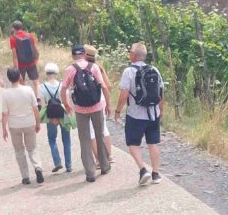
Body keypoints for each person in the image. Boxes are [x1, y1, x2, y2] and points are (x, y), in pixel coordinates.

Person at [114, 43, 165, 186]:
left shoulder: (128, 71)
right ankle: (155, 173)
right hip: (153, 114)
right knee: (153, 143)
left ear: (134, 55)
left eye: (130, 52)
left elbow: (124, 94)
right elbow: (161, 92)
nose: (129, 54)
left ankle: (143, 170)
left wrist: (117, 111)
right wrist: (161, 110)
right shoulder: (154, 69)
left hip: (135, 115)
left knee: (133, 143)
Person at [61, 44, 112, 182]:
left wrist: (66, 104)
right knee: (100, 135)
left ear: (73, 56)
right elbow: (104, 87)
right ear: (84, 54)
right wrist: (108, 104)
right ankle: (104, 166)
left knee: (84, 140)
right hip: (97, 106)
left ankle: (90, 173)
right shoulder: (94, 67)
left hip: (80, 109)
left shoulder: (70, 69)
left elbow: (63, 89)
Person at [1, 67, 44, 185]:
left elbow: (5, 114)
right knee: (32, 148)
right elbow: (35, 108)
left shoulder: (5, 94)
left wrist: (4, 129)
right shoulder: (28, 90)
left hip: (14, 125)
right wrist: (38, 123)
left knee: (19, 150)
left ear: (9, 79)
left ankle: (25, 176)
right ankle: (37, 167)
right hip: (29, 122)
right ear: (20, 76)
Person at [40, 62, 72, 173]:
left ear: (46, 73)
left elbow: (43, 106)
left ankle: (57, 162)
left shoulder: (42, 87)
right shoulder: (62, 86)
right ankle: (68, 165)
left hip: (51, 116)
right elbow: (67, 102)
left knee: (52, 139)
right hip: (63, 115)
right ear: (56, 73)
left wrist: (51, 118)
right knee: (66, 140)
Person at [85, 45, 114, 164]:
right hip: (101, 100)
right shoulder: (99, 67)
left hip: (89, 102)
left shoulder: (84, 67)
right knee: (104, 129)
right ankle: (109, 156)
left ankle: (98, 159)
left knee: (91, 131)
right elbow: (108, 86)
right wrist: (108, 103)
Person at [9, 21, 41, 105]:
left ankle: (25, 100)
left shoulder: (13, 39)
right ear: (21, 27)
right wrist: (36, 58)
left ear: (14, 28)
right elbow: (35, 48)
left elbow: (15, 56)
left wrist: (16, 68)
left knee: (21, 82)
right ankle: (38, 99)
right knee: (36, 82)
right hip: (32, 62)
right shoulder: (30, 35)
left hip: (21, 64)